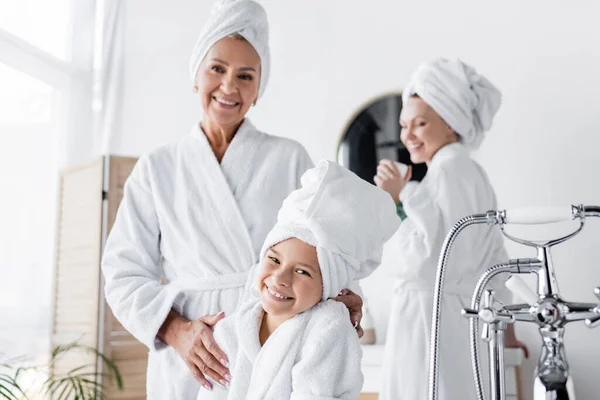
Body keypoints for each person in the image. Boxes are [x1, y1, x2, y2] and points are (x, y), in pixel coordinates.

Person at [101, 2, 363, 398]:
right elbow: (122, 274)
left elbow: (330, 246)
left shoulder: (290, 158)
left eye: (245, 75)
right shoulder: (157, 167)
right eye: (217, 69)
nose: (229, 86)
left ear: (258, 89)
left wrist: (347, 296)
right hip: (188, 355)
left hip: (271, 338)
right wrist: (177, 331)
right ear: (196, 74)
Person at [375, 58, 529, 400]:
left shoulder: (446, 175)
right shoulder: (469, 173)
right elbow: (495, 259)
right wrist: (507, 332)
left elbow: (425, 263)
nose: (407, 135)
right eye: (403, 125)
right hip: (460, 325)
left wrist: (396, 200)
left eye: (420, 124)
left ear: (451, 125)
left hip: (430, 326)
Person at [196, 160, 400, 400]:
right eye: (274, 259)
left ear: (329, 285)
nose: (280, 278)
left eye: (302, 271)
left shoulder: (328, 329)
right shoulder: (234, 328)